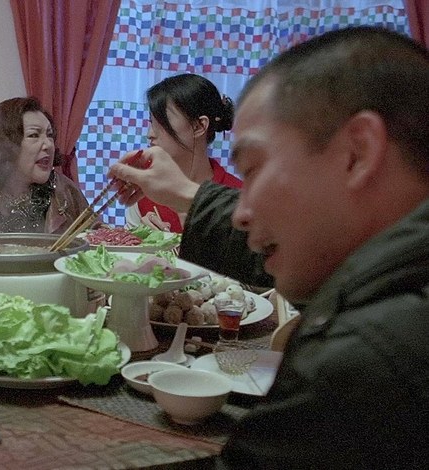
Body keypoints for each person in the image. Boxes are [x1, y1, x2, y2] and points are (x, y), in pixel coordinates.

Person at [109, 26, 429, 468]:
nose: (243, 213)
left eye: (254, 168)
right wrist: (189, 197)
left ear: (357, 152)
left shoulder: (367, 359)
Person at [0, 97, 90, 236]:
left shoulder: (63, 190)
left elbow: (95, 241)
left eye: (50, 135)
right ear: (4, 144)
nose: (48, 145)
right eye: (34, 135)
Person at [124, 73, 240, 232]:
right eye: (151, 122)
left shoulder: (239, 199)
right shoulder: (145, 191)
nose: (150, 134)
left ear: (199, 126)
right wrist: (141, 237)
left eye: (162, 122)